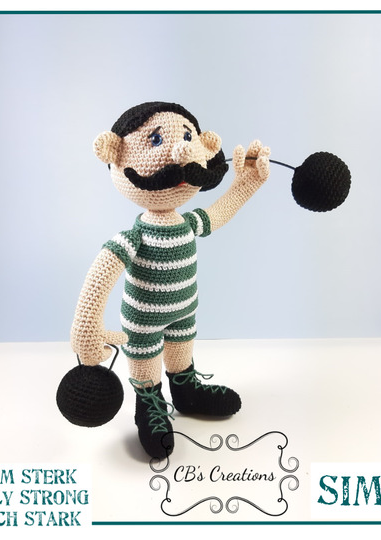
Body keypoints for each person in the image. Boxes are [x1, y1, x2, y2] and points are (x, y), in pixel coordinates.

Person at [70, 102, 270, 458]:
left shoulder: (188, 224)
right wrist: (87, 326)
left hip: (184, 314)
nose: (179, 151)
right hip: (143, 324)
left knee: (181, 355)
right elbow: (100, 276)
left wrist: (246, 184)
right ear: (115, 154)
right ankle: (148, 403)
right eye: (156, 139)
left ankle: (186, 389)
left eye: (188, 137)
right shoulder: (134, 238)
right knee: (146, 368)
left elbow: (219, 212)